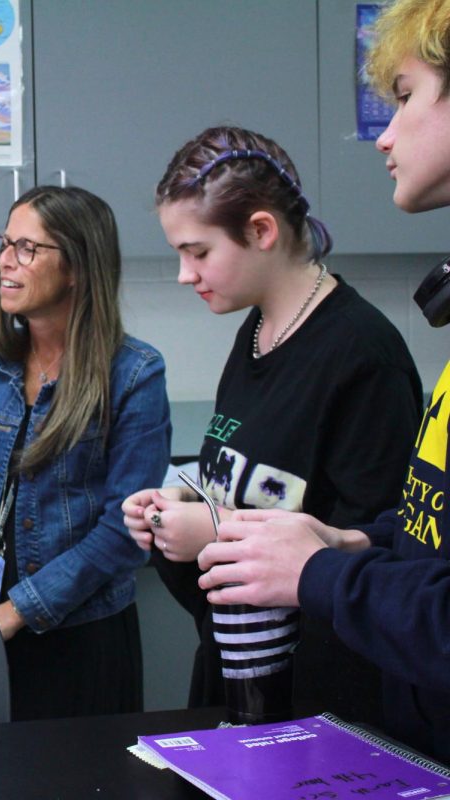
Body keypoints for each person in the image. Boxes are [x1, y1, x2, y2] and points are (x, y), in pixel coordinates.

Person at [196, 0, 450, 762]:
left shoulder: (358, 349)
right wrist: (351, 541)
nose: (385, 133)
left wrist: (324, 573)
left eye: (405, 96)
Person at [121, 127, 422, 724]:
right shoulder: (256, 333)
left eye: (198, 252)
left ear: (261, 231)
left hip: (325, 703)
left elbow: (382, 554)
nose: (185, 274)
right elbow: (253, 480)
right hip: (239, 673)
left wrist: (215, 529)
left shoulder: (363, 355)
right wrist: (179, 502)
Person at [0, 185, 171, 720]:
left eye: (27, 248)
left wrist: (17, 613)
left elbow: (124, 531)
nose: (6, 262)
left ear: (78, 266)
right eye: (4, 243)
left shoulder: (133, 375)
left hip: (81, 640)